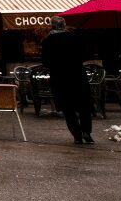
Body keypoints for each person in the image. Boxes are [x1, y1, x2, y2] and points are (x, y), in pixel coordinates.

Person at [41, 16, 95, 145]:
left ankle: (77, 135)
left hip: (60, 78)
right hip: (77, 76)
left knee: (68, 108)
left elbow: (45, 62)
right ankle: (86, 132)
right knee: (84, 106)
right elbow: (85, 55)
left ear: (52, 26)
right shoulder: (74, 37)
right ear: (64, 25)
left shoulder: (47, 41)